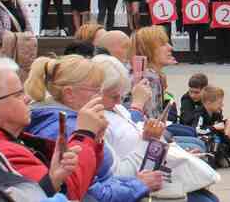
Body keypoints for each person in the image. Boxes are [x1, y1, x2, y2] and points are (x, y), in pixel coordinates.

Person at [25, 54, 163, 201]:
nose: (100, 97)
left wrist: (136, 183)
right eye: (96, 90)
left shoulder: (66, 121)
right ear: (69, 94)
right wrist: (139, 184)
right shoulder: (66, 129)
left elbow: (101, 180)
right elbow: (93, 193)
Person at [93, 55, 220, 202]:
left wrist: (173, 154)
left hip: (150, 173)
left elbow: (141, 142)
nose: (118, 100)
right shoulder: (99, 122)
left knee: (208, 195)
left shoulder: (116, 109)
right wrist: (148, 138)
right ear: (95, 92)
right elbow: (117, 175)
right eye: (113, 95)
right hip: (140, 185)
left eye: (120, 94)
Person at [0, 57, 105, 201]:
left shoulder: (17, 140)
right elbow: (71, 191)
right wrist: (85, 134)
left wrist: (94, 137)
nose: (27, 98)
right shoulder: (2, 152)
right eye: (18, 94)